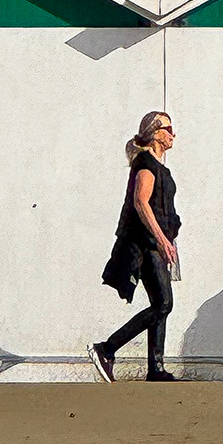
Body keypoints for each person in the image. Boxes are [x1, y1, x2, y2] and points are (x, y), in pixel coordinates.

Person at [90, 111, 181, 382]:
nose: (173, 134)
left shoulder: (159, 166)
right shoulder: (145, 164)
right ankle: (106, 349)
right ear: (155, 133)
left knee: (160, 303)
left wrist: (168, 239)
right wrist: (162, 240)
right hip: (147, 244)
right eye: (168, 128)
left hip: (158, 242)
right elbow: (141, 202)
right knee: (163, 303)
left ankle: (156, 368)